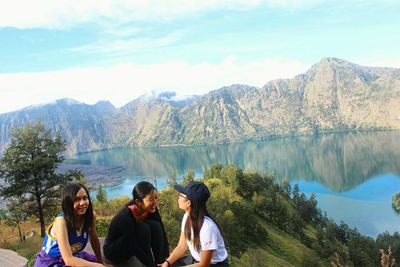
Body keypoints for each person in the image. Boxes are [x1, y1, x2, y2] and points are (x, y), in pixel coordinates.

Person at [160, 181, 229, 267]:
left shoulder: (207, 227)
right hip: (197, 260)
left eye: (180, 195)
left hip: (214, 264)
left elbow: (204, 264)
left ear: (188, 203)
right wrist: (167, 263)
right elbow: (181, 246)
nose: (178, 198)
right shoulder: (187, 217)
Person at [34, 183, 104, 267]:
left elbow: (94, 239)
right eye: (76, 200)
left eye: (85, 198)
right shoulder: (61, 222)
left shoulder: (90, 216)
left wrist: (99, 261)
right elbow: (69, 260)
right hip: (51, 262)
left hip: (73, 256)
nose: (82, 203)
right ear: (68, 202)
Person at [103, 181, 169, 267]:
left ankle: (159, 263)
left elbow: (161, 230)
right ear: (138, 202)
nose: (155, 202)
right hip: (114, 251)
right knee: (144, 228)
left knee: (156, 226)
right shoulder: (125, 216)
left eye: (156, 198)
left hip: (131, 245)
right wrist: (150, 264)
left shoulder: (151, 208)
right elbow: (133, 245)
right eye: (150, 199)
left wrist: (166, 259)